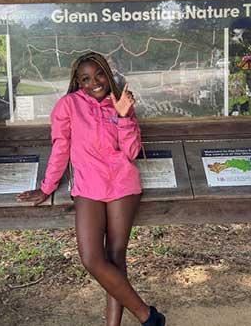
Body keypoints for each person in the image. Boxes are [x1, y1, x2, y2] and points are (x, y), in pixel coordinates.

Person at [16, 52, 165, 326]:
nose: (94, 82)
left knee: (115, 255)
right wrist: (46, 187)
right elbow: (61, 148)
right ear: (78, 82)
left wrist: (123, 116)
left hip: (123, 185)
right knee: (92, 259)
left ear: (107, 74)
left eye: (98, 75)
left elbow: (131, 151)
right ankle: (147, 315)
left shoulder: (120, 103)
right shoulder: (68, 106)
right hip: (88, 188)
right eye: (85, 78)